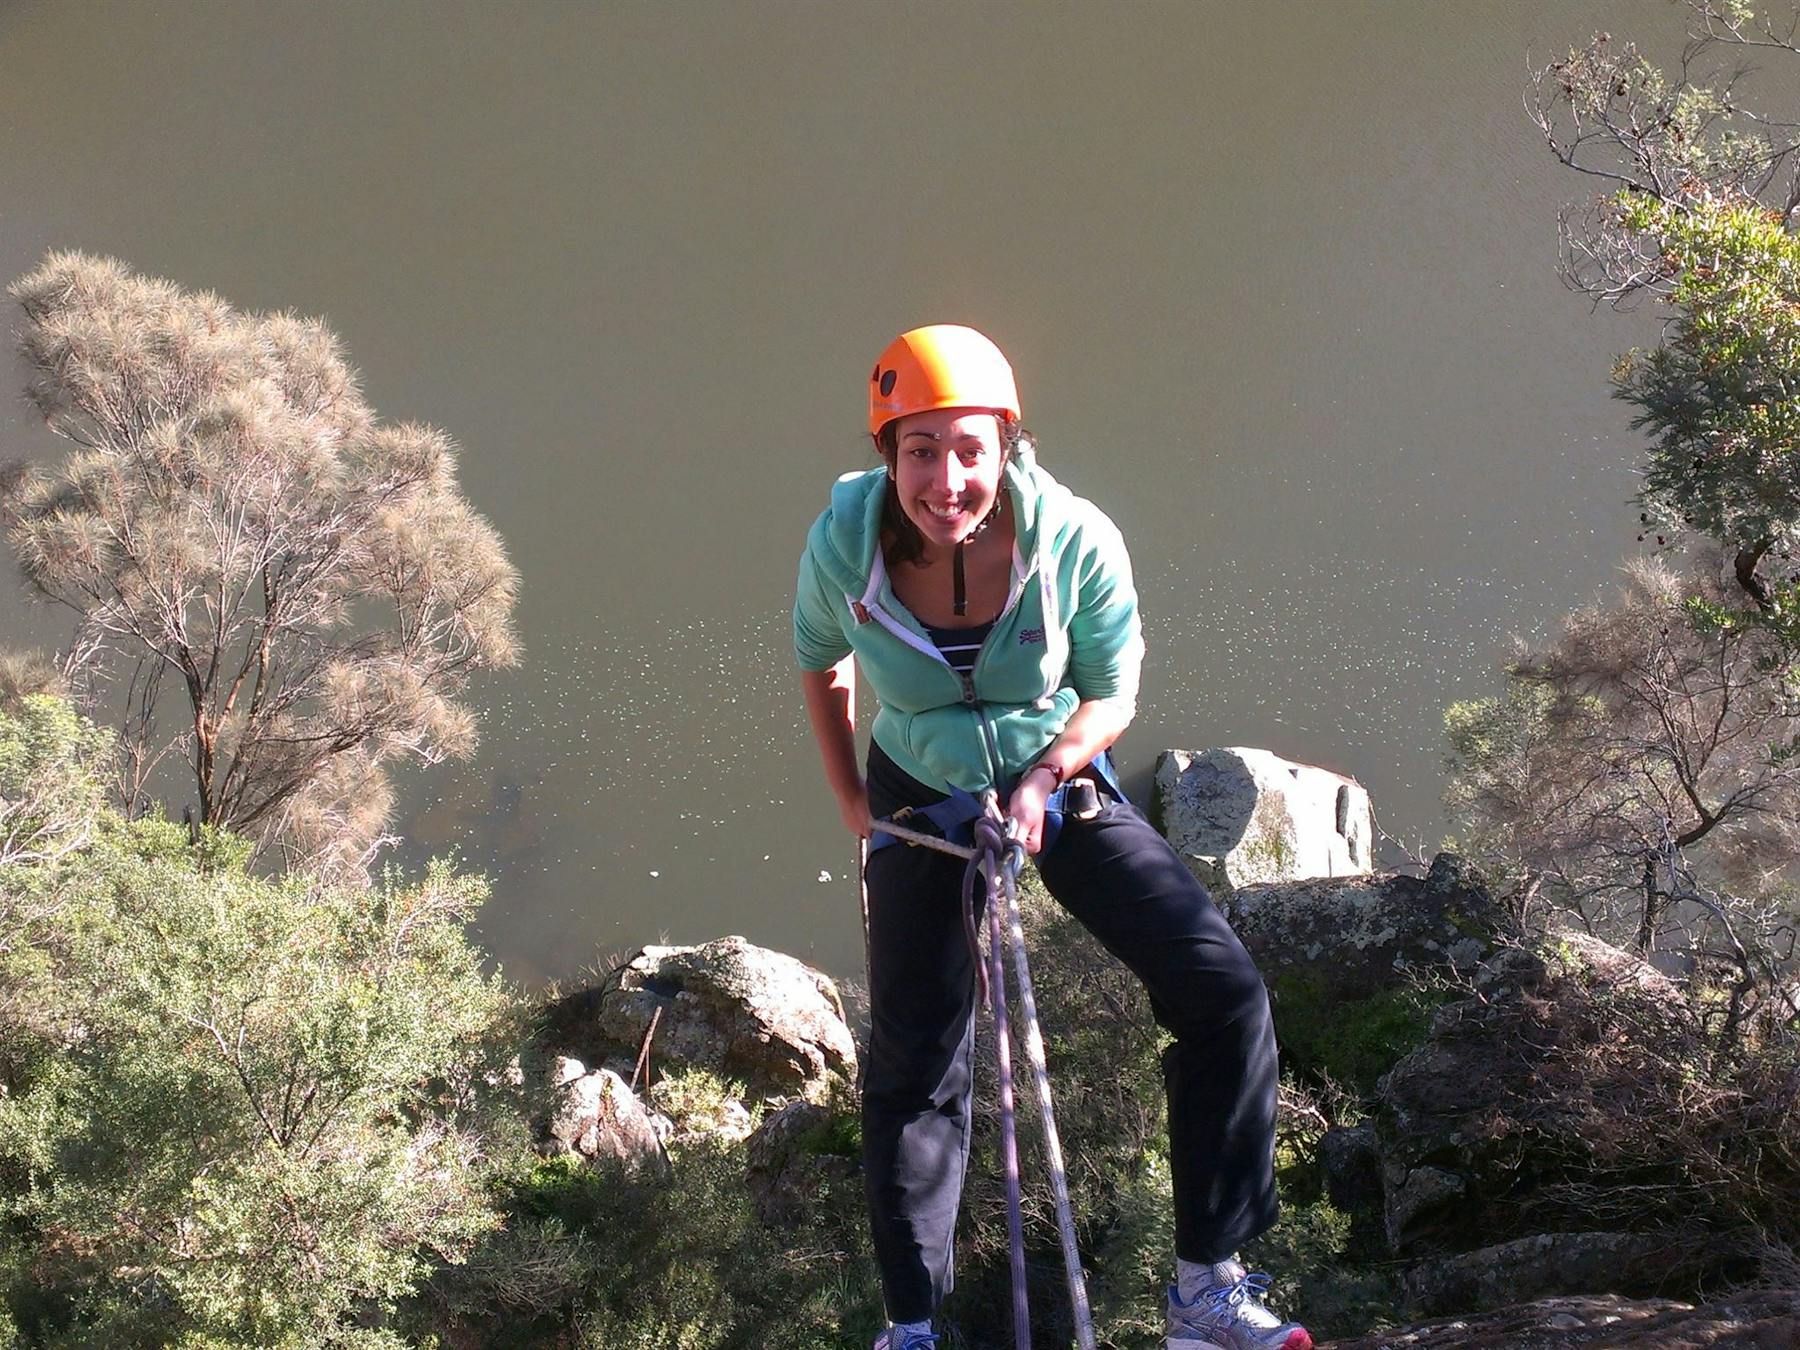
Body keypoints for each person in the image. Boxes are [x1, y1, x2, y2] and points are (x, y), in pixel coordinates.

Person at [794, 324, 1312, 1350]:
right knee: (915, 1061)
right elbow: (822, 659)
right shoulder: (845, 541)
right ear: (887, 453)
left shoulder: (1072, 538)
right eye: (921, 451)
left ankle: (1206, 1287)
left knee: (1223, 992)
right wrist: (853, 799)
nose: (948, 479)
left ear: (1007, 444)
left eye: (970, 448)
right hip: (919, 792)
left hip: (1053, 773)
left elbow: (1113, 688)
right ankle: (911, 1329)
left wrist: (1043, 775)